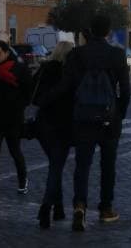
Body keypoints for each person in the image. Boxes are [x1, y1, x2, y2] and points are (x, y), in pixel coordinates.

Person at [43, 14, 130, 231]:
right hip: (109, 118)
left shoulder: (77, 54)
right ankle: (106, 208)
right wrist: (120, 112)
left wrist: (44, 100)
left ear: (90, 30)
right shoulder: (117, 54)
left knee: (82, 165)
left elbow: (66, 85)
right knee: (108, 165)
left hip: (83, 117)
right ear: (108, 32)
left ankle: (79, 206)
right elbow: (126, 90)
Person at [0, 40, 32, 202]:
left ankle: (23, 180)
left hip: (13, 119)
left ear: (7, 53)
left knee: (15, 151)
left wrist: (18, 107)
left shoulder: (20, 70)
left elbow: (28, 92)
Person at [32, 39, 75, 227]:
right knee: (56, 167)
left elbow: (32, 92)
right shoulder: (70, 73)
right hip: (63, 125)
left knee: (54, 164)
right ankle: (46, 206)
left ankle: (58, 208)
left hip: (44, 124)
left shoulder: (44, 69)